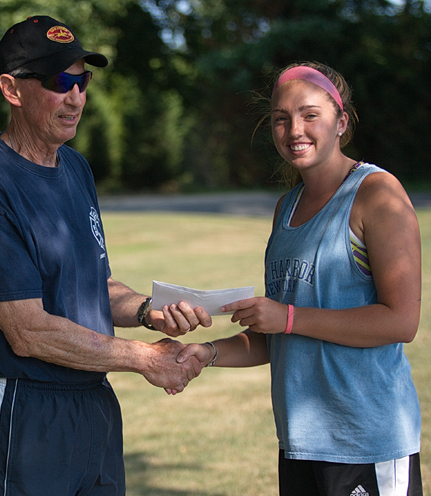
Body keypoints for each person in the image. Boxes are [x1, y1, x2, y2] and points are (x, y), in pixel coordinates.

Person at [0, 15, 211, 496]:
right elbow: (28, 331)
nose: (76, 97)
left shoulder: (75, 169)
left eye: (82, 80)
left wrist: (152, 313)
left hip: (93, 402)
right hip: (25, 410)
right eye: (58, 81)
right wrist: (144, 359)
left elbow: (96, 286)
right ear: (11, 89)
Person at [176, 61, 423, 496]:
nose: (294, 130)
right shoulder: (286, 208)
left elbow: (400, 321)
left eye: (310, 115)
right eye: (281, 119)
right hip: (300, 445)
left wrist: (287, 316)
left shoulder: (376, 194)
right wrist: (206, 352)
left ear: (341, 121)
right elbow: (281, 335)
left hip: (365, 442)